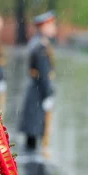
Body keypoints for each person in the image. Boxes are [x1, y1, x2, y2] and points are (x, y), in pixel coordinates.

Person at [19, 11, 57, 152]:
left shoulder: (38, 42)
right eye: (51, 25)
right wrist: (48, 95)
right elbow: (44, 74)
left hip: (35, 90)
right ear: (44, 27)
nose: (54, 28)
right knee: (34, 132)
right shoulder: (41, 46)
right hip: (38, 92)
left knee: (32, 130)